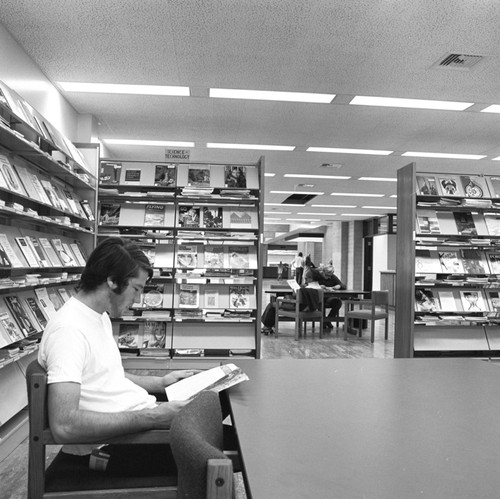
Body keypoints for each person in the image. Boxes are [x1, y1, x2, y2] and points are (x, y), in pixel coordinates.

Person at [38, 237, 198, 475]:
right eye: (137, 289)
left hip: (138, 428)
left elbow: (105, 375)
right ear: (112, 281)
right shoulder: (69, 331)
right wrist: (154, 418)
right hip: (116, 447)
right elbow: (65, 425)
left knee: (217, 401)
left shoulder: (97, 315)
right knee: (216, 443)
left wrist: (160, 383)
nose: (138, 300)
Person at [318, 265, 346, 329]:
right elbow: (308, 284)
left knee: (338, 302)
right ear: (323, 272)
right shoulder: (318, 276)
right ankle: (324, 321)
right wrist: (319, 286)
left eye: (330, 276)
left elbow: (343, 285)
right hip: (318, 298)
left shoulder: (332, 277)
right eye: (326, 275)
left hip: (328, 298)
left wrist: (339, 286)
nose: (328, 277)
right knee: (320, 303)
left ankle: (328, 320)